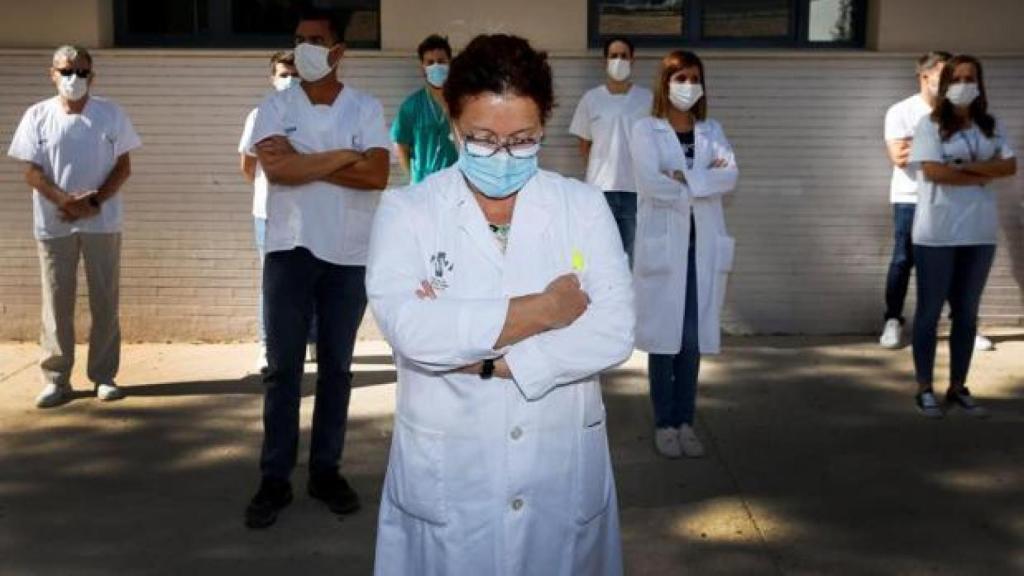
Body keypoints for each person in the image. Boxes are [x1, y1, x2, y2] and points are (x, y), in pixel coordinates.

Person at [367, 34, 633, 575]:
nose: (504, 155)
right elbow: (411, 329)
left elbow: (614, 330)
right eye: (483, 139)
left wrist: (492, 359)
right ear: (454, 123)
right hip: (449, 473)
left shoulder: (581, 206)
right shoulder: (407, 211)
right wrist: (547, 309)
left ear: (545, 126)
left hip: (558, 467)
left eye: (523, 140)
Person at [241, 8, 391, 529]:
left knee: (336, 369)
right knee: (282, 370)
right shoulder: (274, 104)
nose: (305, 47)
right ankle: (274, 477)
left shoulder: (365, 107)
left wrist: (310, 158)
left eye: (317, 40)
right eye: (299, 39)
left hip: (348, 256)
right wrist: (343, 157)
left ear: (338, 50)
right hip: (289, 250)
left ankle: (325, 470)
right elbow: (276, 168)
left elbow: (377, 175)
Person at [7, 45, 141, 408]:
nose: (73, 79)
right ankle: (56, 379)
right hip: (54, 225)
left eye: (81, 72)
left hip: (103, 223)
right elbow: (31, 171)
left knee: (104, 301)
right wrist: (65, 201)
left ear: (92, 76)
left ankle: (104, 376)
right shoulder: (36, 116)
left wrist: (93, 203)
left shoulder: (111, 114)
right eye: (66, 71)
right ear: (52, 73)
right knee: (56, 303)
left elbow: (123, 167)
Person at [630, 51, 738, 459]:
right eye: (680, 78)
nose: (688, 85)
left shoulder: (711, 129)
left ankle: (685, 420)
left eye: (694, 78)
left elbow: (731, 175)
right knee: (663, 340)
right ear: (665, 83)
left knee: (691, 341)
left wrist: (684, 177)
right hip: (665, 247)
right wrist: (702, 181)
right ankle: (664, 423)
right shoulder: (645, 130)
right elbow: (650, 182)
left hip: (703, 248)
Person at [907, 54, 1016, 419]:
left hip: (978, 233)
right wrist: (983, 173)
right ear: (945, 83)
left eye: (971, 78)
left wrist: (963, 166)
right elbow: (935, 172)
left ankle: (958, 386)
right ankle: (924, 387)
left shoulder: (991, 125)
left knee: (967, 314)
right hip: (937, 233)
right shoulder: (930, 125)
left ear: (980, 84)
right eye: (957, 78)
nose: (964, 84)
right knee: (929, 312)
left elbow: (1009, 165)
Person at [880, 52, 996, 352]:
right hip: (910, 198)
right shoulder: (901, 111)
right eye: (944, 76)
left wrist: (928, 152)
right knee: (903, 259)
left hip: (951, 198)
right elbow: (898, 157)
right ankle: (893, 320)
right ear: (925, 76)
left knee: (955, 262)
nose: (950, 84)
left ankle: (964, 324)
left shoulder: (961, 113)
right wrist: (948, 155)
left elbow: (983, 157)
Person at [238, 50, 313, 373]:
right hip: (268, 214)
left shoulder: (315, 115)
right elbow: (247, 165)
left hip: (309, 212)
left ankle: (309, 341)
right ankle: (267, 347)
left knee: (311, 278)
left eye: (295, 74)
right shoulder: (259, 116)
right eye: (283, 74)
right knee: (273, 284)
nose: (290, 80)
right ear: (272, 78)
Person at [570, 36, 652, 266]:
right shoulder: (591, 99)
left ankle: (628, 302)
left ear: (632, 59)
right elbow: (584, 145)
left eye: (624, 55)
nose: (619, 60)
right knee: (598, 254)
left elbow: (655, 146)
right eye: (613, 55)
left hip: (635, 191)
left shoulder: (647, 99)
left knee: (631, 256)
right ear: (604, 60)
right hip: (599, 191)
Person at [391, 34, 459, 184]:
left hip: (456, 184)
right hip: (423, 185)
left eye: (441, 61)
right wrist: (413, 178)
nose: (436, 66)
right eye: (430, 62)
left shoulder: (461, 103)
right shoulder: (411, 106)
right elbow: (401, 145)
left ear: (450, 64)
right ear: (423, 67)